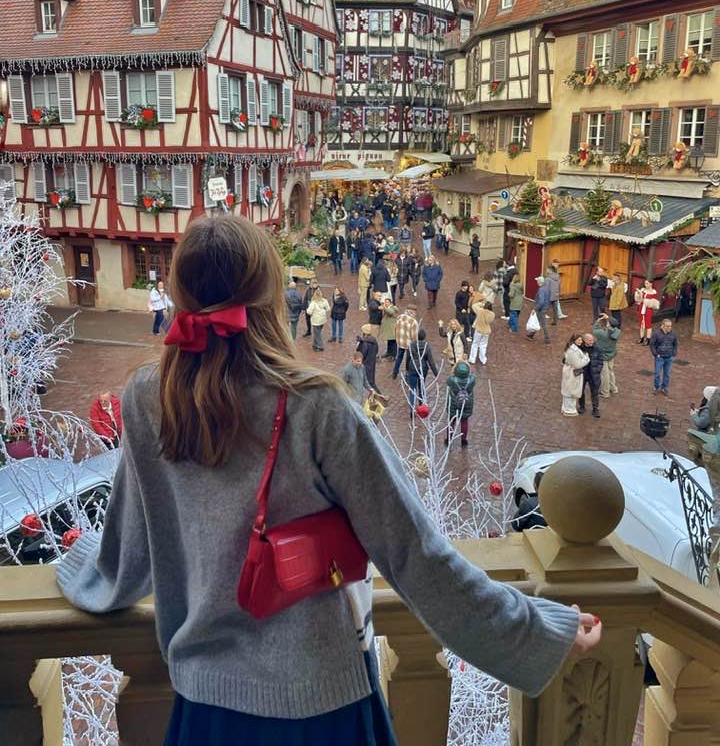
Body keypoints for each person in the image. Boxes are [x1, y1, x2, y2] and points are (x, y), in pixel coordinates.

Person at [57, 214, 598, 745]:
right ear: (269, 295)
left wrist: (76, 565)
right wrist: (535, 630)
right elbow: (415, 554)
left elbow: (130, 547)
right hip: (320, 705)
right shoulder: (315, 406)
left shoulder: (147, 397)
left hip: (206, 708)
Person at [405, 328, 439, 409]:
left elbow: (408, 358)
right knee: (421, 388)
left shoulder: (411, 345)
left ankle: (412, 408)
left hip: (412, 368)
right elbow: (431, 361)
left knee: (412, 389)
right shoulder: (427, 346)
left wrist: (407, 368)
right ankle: (421, 406)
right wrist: (436, 374)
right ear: (424, 337)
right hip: (422, 369)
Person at [446, 361, 476, 447]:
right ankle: (463, 441)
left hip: (453, 404)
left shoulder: (451, 380)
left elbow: (448, 381)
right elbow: (472, 375)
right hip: (466, 404)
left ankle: (449, 439)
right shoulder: (472, 380)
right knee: (464, 421)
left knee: (451, 421)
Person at [592, 314, 620, 398]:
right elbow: (615, 326)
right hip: (611, 354)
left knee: (605, 375)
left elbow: (594, 329)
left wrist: (599, 320)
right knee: (611, 371)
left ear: (609, 324)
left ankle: (605, 392)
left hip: (603, 355)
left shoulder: (602, 333)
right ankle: (613, 388)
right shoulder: (617, 332)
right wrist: (608, 318)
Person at [561, 333, 590, 417]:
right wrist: (587, 358)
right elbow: (578, 365)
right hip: (571, 373)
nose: (581, 342)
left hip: (571, 372)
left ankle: (567, 408)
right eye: (579, 340)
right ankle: (568, 409)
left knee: (570, 390)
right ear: (574, 340)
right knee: (570, 391)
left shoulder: (574, 348)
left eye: (581, 340)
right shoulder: (572, 351)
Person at [649, 318, 678, 395]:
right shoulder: (656, 334)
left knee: (667, 374)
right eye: (667, 326)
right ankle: (656, 388)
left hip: (669, 357)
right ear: (662, 326)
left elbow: (675, 344)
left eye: (670, 326)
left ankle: (664, 388)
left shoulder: (673, 334)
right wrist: (656, 354)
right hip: (660, 357)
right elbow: (652, 344)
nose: (669, 328)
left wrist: (674, 353)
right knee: (657, 374)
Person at [578, 333, 603, 418]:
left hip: (593, 374)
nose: (592, 342)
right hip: (583, 373)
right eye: (590, 340)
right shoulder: (580, 348)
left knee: (595, 392)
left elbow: (600, 360)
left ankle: (595, 409)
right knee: (580, 391)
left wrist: (597, 370)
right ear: (584, 340)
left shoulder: (597, 348)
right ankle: (582, 406)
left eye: (592, 340)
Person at [392, 305, 419, 380]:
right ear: (413, 312)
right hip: (409, 343)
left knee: (399, 357)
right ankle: (407, 374)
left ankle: (395, 373)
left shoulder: (399, 317)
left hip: (400, 341)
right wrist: (415, 345)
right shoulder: (413, 322)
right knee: (409, 359)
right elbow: (414, 336)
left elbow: (395, 328)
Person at [468, 295, 495, 365]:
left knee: (475, 344)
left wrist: (481, 304)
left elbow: (474, 306)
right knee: (483, 345)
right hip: (486, 331)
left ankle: (472, 359)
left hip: (479, 330)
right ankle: (483, 359)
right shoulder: (492, 314)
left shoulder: (480, 311)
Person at [526, 276, 551, 345]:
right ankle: (531, 335)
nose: (536, 282)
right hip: (545, 308)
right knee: (538, 322)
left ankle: (547, 339)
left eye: (537, 281)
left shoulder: (541, 290)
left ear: (539, 282)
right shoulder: (546, 288)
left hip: (541, 309)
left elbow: (541, 301)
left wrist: (535, 309)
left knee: (543, 324)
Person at [356, 323, 380, 391]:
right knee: (371, 382)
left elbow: (362, 354)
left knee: (369, 383)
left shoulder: (365, 343)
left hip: (366, 365)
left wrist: (359, 345)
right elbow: (376, 351)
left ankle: (378, 395)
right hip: (372, 363)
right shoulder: (374, 340)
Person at [307, 288, 331, 352]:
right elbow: (328, 309)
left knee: (317, 334)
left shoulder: (313, 303)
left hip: (315, 320)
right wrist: (323, 310)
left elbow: (309, 312)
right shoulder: (325, 301)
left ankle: (320, 346)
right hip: (322, 320)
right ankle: (315, 345)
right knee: (318, 333)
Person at [636, 279, 659, 345]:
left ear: (651, 284)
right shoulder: (643, 290)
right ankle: (641, 338)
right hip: (641, 308)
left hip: (648, 309)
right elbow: (639, 300)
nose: (645, 285)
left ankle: (648, 339)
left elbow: (653, 303)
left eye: (647, 283)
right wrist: (638, 294)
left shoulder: (654, 292)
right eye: (645, 283)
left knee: (648, 324)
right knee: (641, 324)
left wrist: (641, 295)